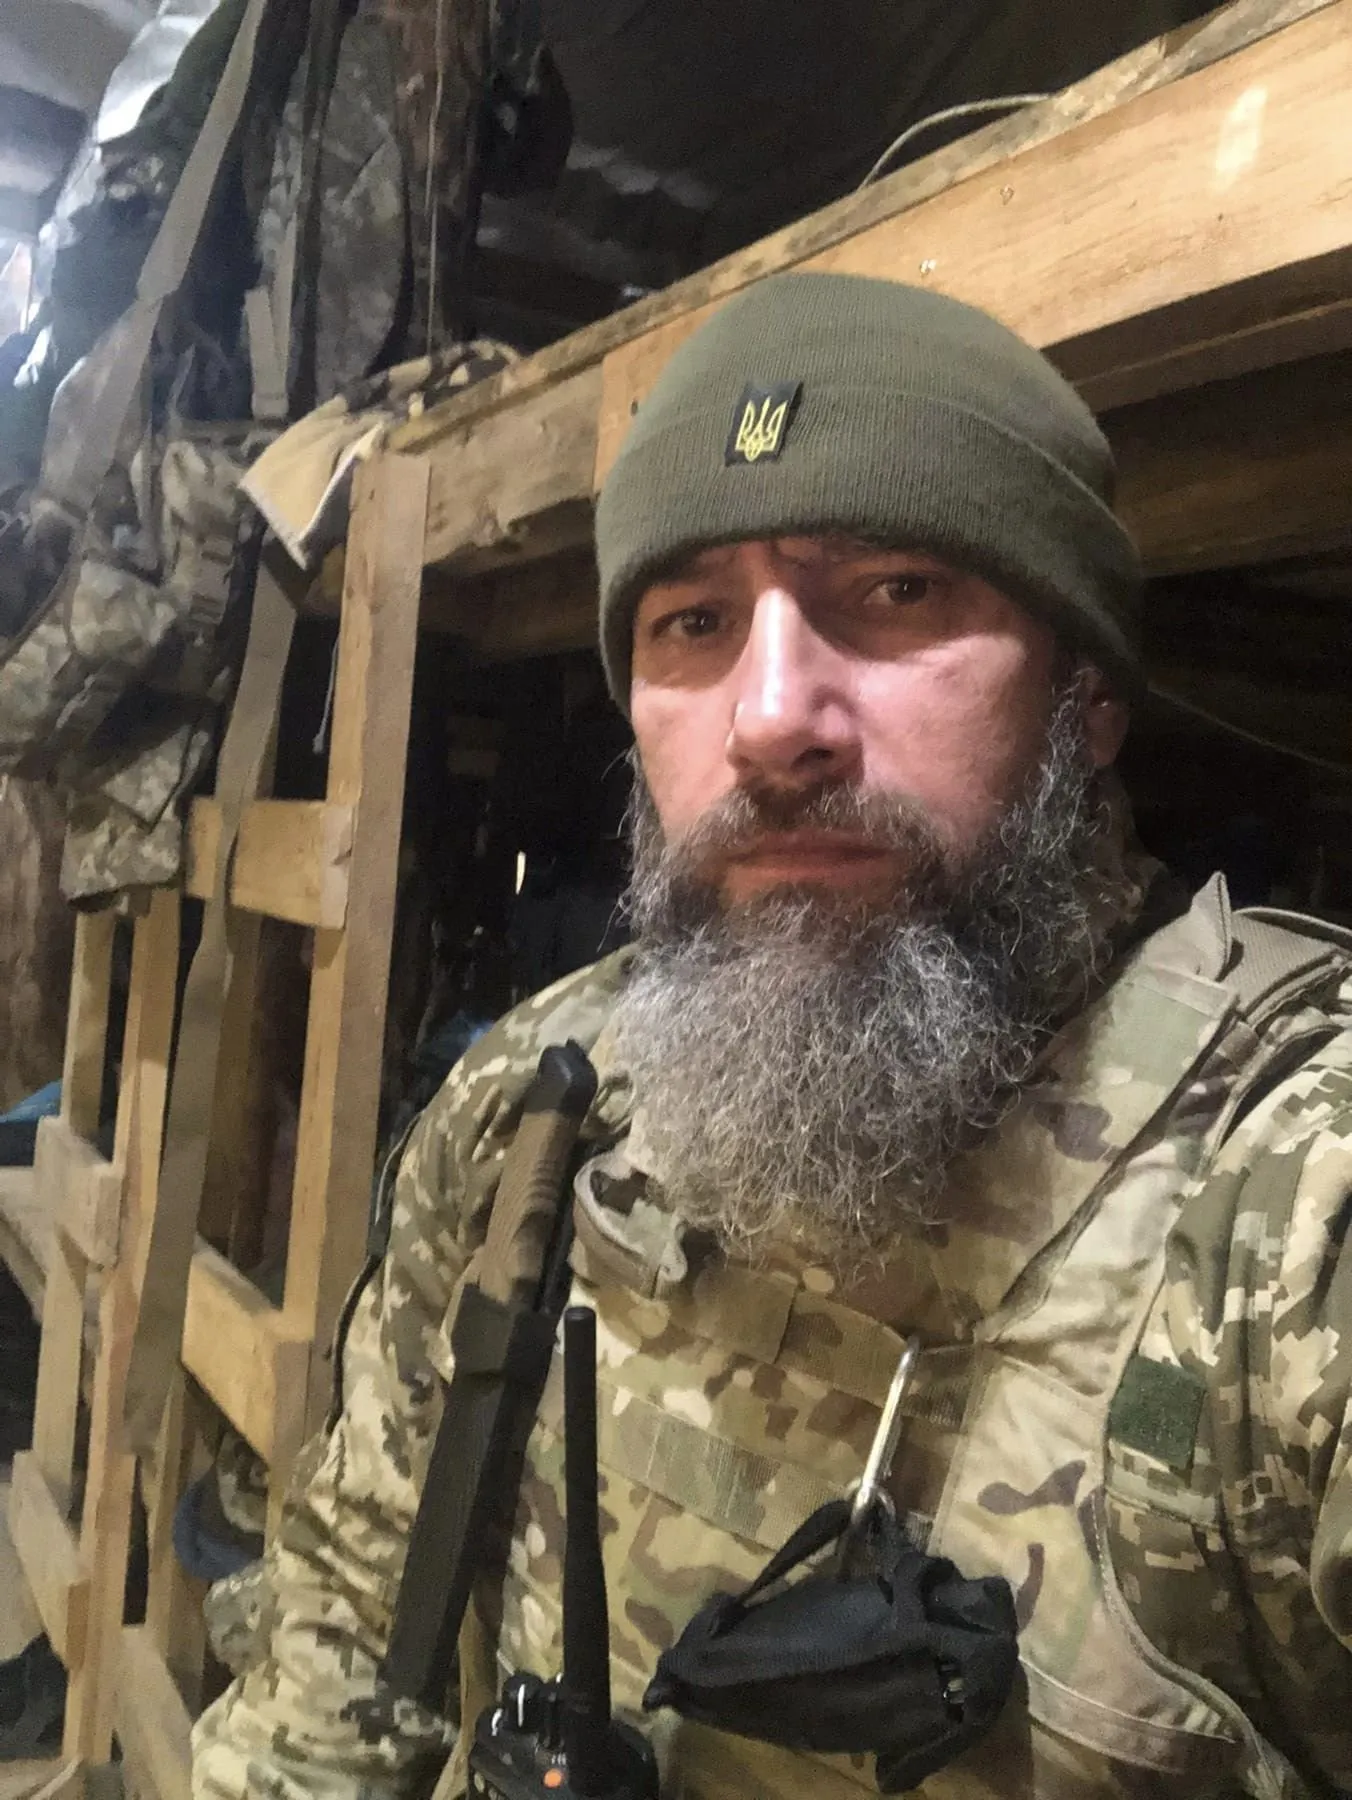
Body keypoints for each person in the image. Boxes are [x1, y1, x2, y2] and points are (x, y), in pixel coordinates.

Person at [192, 273, 1352, 1800]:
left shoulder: (1289, 1218)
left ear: (1087, 700)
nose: (772, 717)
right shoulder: (540, 1107)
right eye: (695, 622)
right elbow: (340, 1639)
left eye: (899, 590)